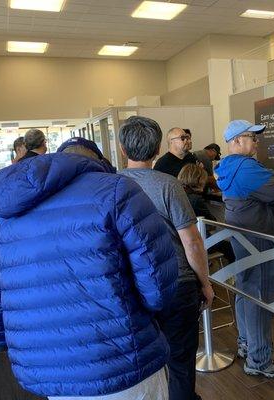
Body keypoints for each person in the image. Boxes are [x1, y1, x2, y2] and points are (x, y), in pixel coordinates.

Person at [0, 138, 179, 399]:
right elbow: (157, 285)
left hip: (49, 371)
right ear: (98, 162)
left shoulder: (8, 215)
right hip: (120, 360)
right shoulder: (117, 190)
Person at [119, 116, 213, 400]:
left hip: (132, 284)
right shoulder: (169, 185)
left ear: (123, 149)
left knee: (144, 359)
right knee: (182, 360)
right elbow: (191, 241)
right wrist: (206, 284)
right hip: (177, 282)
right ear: (158, 148)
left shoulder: (109, 186)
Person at [215, 119, 274, 378]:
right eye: (252, 137)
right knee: (259, 296)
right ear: (236, 141)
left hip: (242, 237)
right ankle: (259, 360)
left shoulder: (227, 166)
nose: (256, 142)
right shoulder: (246, 167)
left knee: (245, 290)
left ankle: (246, 344)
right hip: (259, 240)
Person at [178, 163, 234, 263]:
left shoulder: (177, 193)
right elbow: (211, 223)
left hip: (180, 242)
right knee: (230, 247)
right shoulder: (195, 199)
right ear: (199, 180)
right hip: (196, 242)